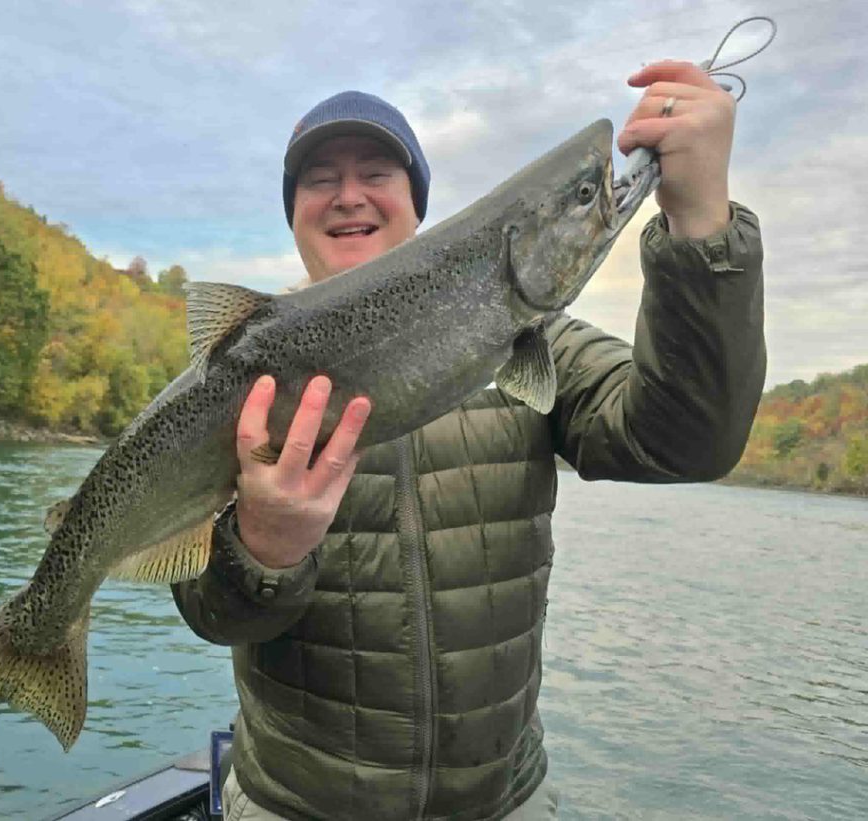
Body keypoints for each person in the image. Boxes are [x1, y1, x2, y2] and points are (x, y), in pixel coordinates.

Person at [173, 62, 766, 820]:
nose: (349, 194)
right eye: (320, 178)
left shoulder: (533, 340)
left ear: (416, 204)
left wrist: (703, 225)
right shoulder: (241, 387)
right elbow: (212, 616)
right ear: (293, 212)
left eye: (377, 171)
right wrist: (263, 551)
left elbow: (689, 441)